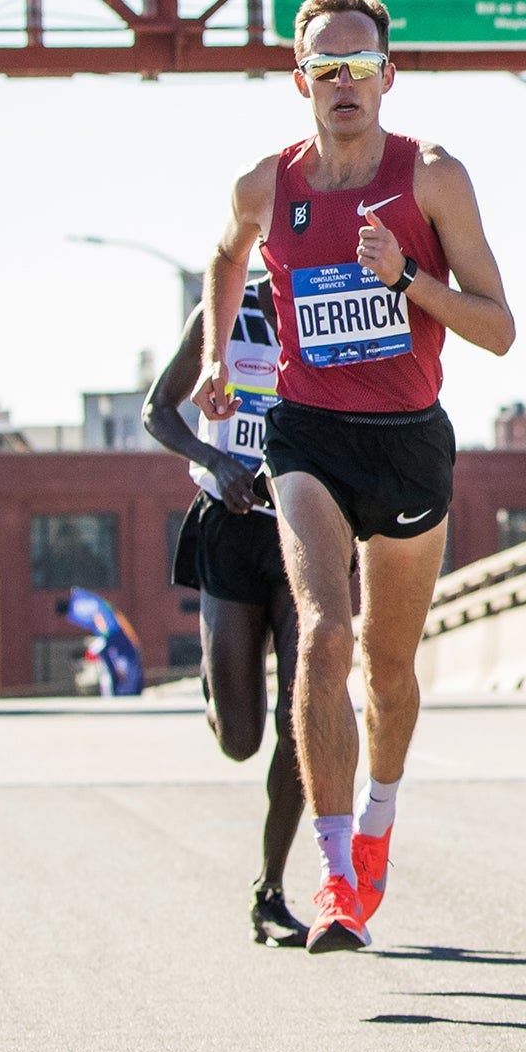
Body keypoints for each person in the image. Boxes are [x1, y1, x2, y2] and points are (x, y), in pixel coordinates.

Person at [193, 0, 515, 954]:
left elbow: (498, 328)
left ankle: (377, 815)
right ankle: (335, 878)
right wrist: (216, 356)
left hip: (408, 437)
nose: (344, 82)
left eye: (359, 65)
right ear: (300, 80)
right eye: (325, 67)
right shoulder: (265, 185)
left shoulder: (432, 178)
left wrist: (406, 279)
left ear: (388, 75)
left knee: (387, 663)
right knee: (324, 632)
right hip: (307, 435)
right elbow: (225, 257)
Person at [146, 273, 311, 947]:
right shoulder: (223, 312)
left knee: (303, 719)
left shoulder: (329, 302)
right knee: (241, 739)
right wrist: (216, 460)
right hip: (230, 525)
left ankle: (270, 889)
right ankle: (220, 680)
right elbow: (157, 411)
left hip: (306, 529)